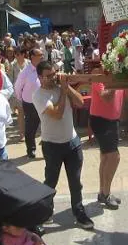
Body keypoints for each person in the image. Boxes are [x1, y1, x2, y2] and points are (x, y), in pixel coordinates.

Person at [33, 61, 94, 229]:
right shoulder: (39, 95)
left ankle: (79, 213)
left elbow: (81, 102)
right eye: (48, 76)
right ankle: (45, 213)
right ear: (40, 77)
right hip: (52, 145)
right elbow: (58, 114)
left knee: (75, 181)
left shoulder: (62, 88)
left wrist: (67, 88)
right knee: (51, 181)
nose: (53, 78)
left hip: (72, 142)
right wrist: (63, 92)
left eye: (54, 74)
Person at [89, 72, 128, 209]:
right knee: (114, 157)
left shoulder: (120, 77)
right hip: (101, 121)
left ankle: (103, 192)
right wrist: (115, 83)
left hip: (112, 120)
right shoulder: (99, 77)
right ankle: (106, 194)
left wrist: (126, 82)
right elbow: (107, 98)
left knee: (106, 158)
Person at [14, 48, 44, 158]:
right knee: (31, 128)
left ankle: (47, 149)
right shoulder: (25, 72)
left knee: (46, 126)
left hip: (43, 102)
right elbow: (17, 87)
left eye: (42, 54)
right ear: (32, 57)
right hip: (30, 103)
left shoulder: (43, 68)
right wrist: (21, 98)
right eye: (39, 55)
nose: (42, 56)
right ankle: (30, 149)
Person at [9, 48, 28, 140]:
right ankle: (22, 134)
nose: (17, 56)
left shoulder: (29, 64)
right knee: (21, 112)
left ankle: (29, 132)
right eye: (15, 54)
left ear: (23, 54)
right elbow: (11, 79)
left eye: (18, 54)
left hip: (29, 91)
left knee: (30, 113)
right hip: (18, 92)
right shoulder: (12, 65)